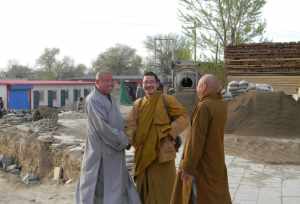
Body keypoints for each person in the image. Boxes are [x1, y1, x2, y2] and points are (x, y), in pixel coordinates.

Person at [76, 72, 140, 204]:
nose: (110, 84)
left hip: (115, 151)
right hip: (101, 152)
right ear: (97, 82)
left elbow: (117, 121)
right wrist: (124, 140)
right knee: (99, 189)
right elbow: (103, 128)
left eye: (111, 81)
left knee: (117, 186)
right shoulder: (93, 100)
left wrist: (130, 132)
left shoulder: (109, 98)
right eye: (106, 81)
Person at [126, 71, 189, 204]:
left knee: (165, 188)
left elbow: (184, 118)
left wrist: (169, 132)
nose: (148, 85)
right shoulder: (137, 104)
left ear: (157, 83)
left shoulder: (167, 100)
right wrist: (127, 140)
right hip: (143, 153)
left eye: (151, 82)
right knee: (144, 187)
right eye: (145, 82)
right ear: (142, 85)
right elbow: (131, 125)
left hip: (162, 152)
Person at [171, 74, 232, 204]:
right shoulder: (221, 105)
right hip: (216, 161)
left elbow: (196, 141)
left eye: (198, 85)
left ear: (204, 86)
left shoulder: (204, 106)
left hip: (202, 165)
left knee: (200, 197)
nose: (197, 89)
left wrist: (187, 167)